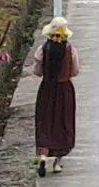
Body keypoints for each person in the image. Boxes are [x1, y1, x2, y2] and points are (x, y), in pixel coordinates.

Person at [32, 17, 79, 177]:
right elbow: (75, 71)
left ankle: (43, 156)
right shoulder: (70, 50)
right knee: (62, 123)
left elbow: (37, 72)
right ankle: (57, 163)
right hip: (64, 90)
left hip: (47, 90)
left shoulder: (42, 49)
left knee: (45, 122)